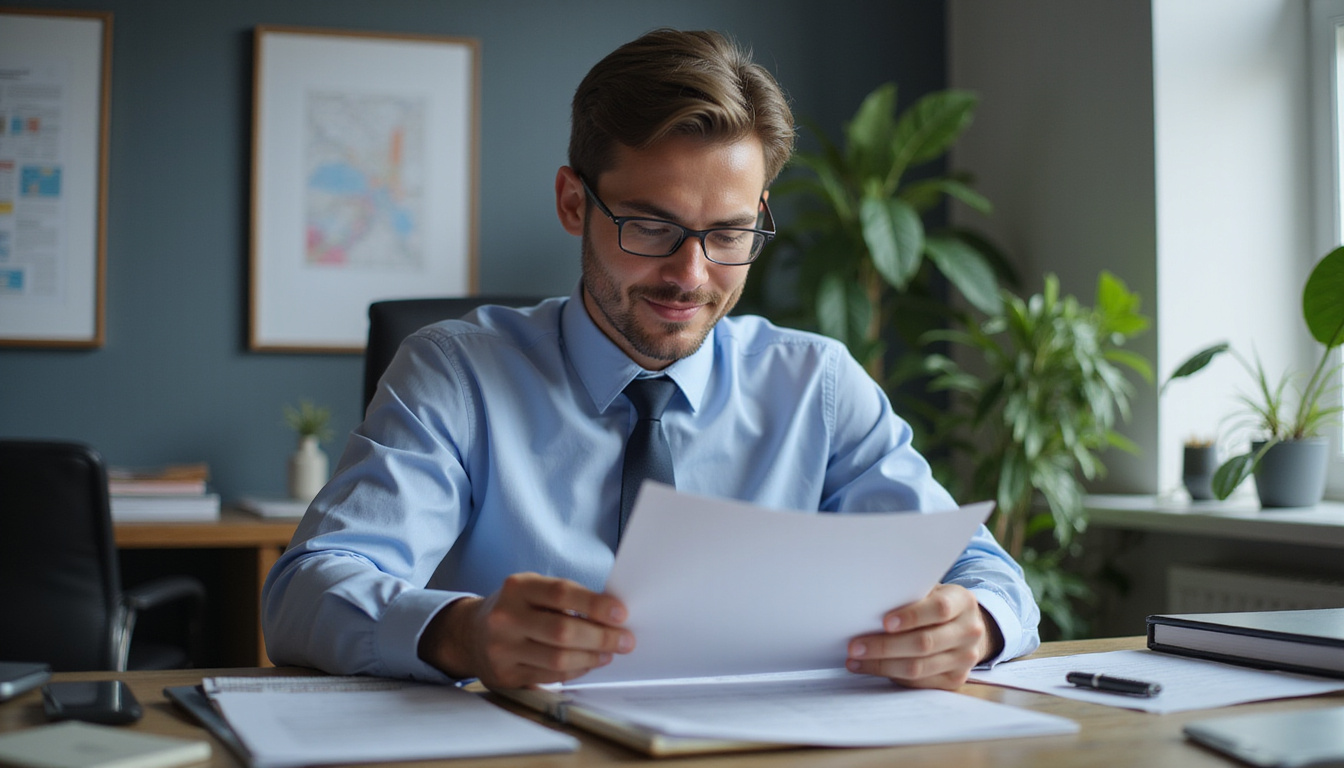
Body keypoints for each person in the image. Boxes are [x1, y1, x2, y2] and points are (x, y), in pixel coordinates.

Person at [262, 28, 1039, 691]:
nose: (690, 276)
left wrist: (974, 625)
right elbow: (304, 592)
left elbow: (991, 578)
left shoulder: (818, 386)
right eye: (650, 226)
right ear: (574, 203)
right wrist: (459, 634)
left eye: (729, 234)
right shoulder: (456, 374)